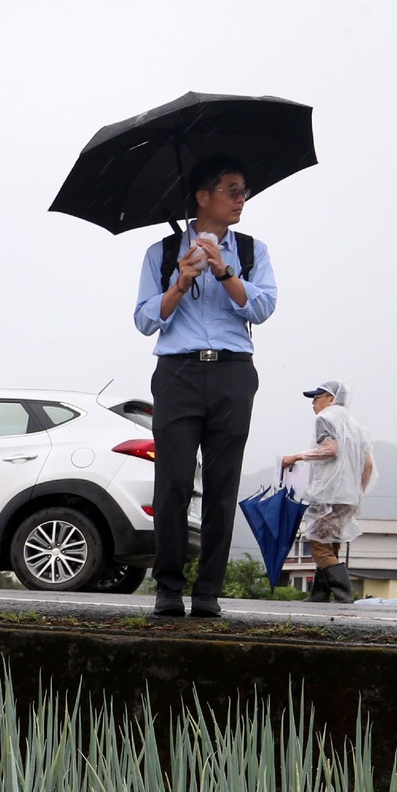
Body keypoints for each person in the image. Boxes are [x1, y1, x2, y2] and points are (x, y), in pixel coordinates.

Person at [133, 155, 279, 618]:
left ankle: (209, 592)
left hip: (234, 372)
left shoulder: (252, 251)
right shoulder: (162, 252)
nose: (242, 199)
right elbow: (143, 319)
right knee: (173, 482)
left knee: (221, 487)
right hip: (178, 373)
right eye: (233, 190)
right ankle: (169, 587)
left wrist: (223, 270)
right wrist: (180, 282)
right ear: (203, 196)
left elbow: (263, 308)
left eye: (244, 191)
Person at [281, 379, 374, 604]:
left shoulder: (325, 418)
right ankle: (320, 594)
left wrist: (297, 456)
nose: (313, 402)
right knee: (331, 542)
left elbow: (330, 449)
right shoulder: (355, 426)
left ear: (331, 399)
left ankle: (344, 595)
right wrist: (358, 493)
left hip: (328, 492)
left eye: (317, 397)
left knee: (320, 546)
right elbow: (368, 464)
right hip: (348, 495)